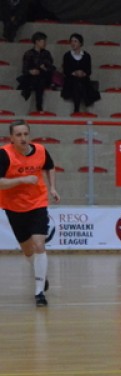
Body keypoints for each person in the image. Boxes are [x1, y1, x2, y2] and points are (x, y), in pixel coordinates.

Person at [0, 120, 60, 307]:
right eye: (18, 135)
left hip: (37, 203)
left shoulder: (41, 150)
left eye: (25, 134)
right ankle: (40, 273)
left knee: (39, 244)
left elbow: (50, 166)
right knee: (27, 251)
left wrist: (52, 188)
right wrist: (22, 180)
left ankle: (39, 292)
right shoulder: (4, 155)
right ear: (11, 138)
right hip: (13, 206)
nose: (23, 138)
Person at [60, 33, 99, 115]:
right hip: (70, 80)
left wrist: (83, 73)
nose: (73, 43)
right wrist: (74, 73)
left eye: (75, 41)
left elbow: (89, 71)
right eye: (71, 41)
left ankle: (77, 109)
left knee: (80, 83)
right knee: (76, 83)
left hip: (83, 79)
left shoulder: (87, 56)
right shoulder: (67, 55)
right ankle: (77, 108)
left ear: (80, 43)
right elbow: (66, 71)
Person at [17, 31, 53, 112]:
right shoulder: (28, 53)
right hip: (32, 77)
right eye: (43, 41)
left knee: (40, 80)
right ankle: (38, 106)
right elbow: (24, 69)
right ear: (37, 41)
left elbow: (50, 68)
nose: (45, 43)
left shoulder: (47, 53)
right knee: (35, 79)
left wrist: (44, 68)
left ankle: (38, 105)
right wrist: (31, 71)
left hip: (44, 76)